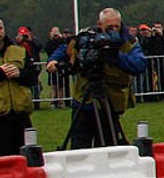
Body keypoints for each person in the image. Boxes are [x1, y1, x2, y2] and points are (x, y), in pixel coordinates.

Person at [57, 8, 146, 149]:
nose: (114, 31)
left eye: (117, 26)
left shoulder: (129, 41)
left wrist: (115, 56)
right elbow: (66, 48)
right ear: (100, 25)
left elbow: (139, 65)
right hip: (84, 97)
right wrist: (54, 60)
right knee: (80, 146)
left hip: (110, 100)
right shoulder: (87, 37)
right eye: (109, 28)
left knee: (108, 147)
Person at [0, 15, 39, 158]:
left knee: (27, 157)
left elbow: (33, 77)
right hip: (1, 116)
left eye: (1, 28)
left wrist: (19, 73)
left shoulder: (19, 50)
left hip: (20, 115)